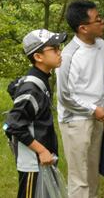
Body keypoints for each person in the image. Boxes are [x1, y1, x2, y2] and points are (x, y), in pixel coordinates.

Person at [56, 0, 104, 198]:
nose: (103, 22)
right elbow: (65, 97)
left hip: (98, 116)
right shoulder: (69, 55)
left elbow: (103, 80)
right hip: (75, 121)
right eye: (98, 19)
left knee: (92, 174)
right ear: (83, 28)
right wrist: (93, 109)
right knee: (79, 178)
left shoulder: (101, 45)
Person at [4, 29, 67, 198]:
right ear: (38, 57)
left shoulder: (40, 80)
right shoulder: (32, 88)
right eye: (54, 49)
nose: (59, 52)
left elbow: (13, 87)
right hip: (33, 163)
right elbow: (13, 126)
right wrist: (41, 151)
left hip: (43, 160)